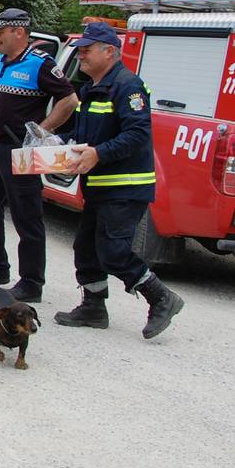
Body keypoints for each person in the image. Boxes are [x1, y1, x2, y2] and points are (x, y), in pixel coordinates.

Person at [55, 21, 185, 338]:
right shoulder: (92, 88)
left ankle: (162, 298)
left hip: (126, 187)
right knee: (85, 248)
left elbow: (138, 134)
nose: (81, 55)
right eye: (80, 49)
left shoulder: (129, 87)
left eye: (87, 49)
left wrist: (99, 154)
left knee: (113, 251)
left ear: (110, 51)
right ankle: (93, 307)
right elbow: (86, 135)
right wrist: (56, 143)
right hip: (100, 188)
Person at [0, 8, 78, 303]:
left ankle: (31, 283)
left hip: (22, 151)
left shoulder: (40, 64)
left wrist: (40, 132)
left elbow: (69, 100)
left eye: (0, 33)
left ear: (18, 32)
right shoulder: (2, 61)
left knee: (27, 218)